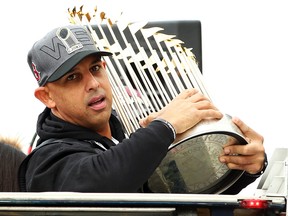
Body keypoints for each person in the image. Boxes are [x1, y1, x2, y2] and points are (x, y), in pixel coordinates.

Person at [18, 25, 267, 194]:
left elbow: (183, 192)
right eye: (73, 77)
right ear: (46, 96)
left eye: (95, 68)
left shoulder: (124, 143)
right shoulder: (45, 161)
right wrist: (165, 127)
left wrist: (245, 164)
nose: (93, 84)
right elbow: (101, 181)